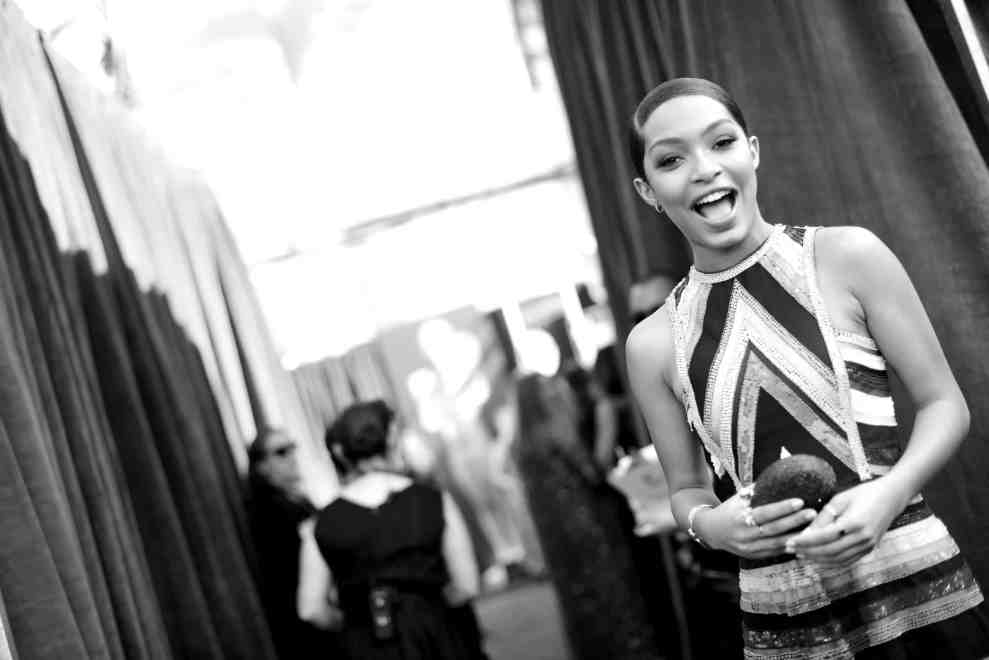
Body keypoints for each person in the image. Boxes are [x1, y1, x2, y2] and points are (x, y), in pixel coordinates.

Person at [624, 77, 989, 658]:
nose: (704, 169)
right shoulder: (652, 343)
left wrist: (889, 494)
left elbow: (947, 404)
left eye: (722, 143)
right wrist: (710, 526)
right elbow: (686, 490)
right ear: (648, 191)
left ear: (754, 152)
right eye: (672, 158)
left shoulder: (849, 258)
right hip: (787, 623)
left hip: (922, 589)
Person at [297, 399, 488, 660]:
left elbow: (310, 609)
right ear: (391, 439)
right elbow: (466, 585)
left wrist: (352, 623)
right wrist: (431, 610)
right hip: (439, 638)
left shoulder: (319, 524)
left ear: (341, 453)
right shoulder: (433, 500)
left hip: (366, 645)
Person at [513, 373, 663, 660]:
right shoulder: (556, 429)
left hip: (559, 539)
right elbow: (594, 470)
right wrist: (607, 418)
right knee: (614, 598)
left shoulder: (522, 445)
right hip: (590, 527)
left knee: (582, 606)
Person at [246, 427, 331, 659]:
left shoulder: (297, 499)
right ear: (261, 466)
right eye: (281, 452)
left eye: (292, 448)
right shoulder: (268, 510)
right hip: (302, 623)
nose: (292, 456)